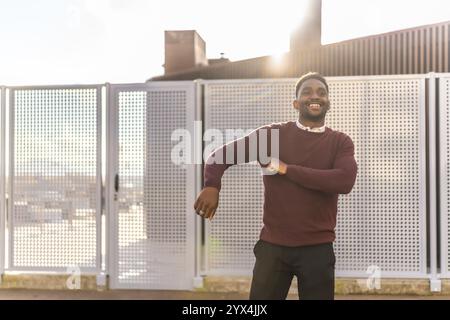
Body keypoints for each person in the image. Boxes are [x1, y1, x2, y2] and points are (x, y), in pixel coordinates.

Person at [194, 72, 357, 300]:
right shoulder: (272, 136)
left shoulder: (340, 141)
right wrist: (212, 185)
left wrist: (286, 169)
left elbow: (343, 181)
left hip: (317, 249)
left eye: (321, 93)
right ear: (296, 102)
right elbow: (218, 157)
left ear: (328, 102)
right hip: (273, 248)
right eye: (307, 92)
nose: (315, 96)